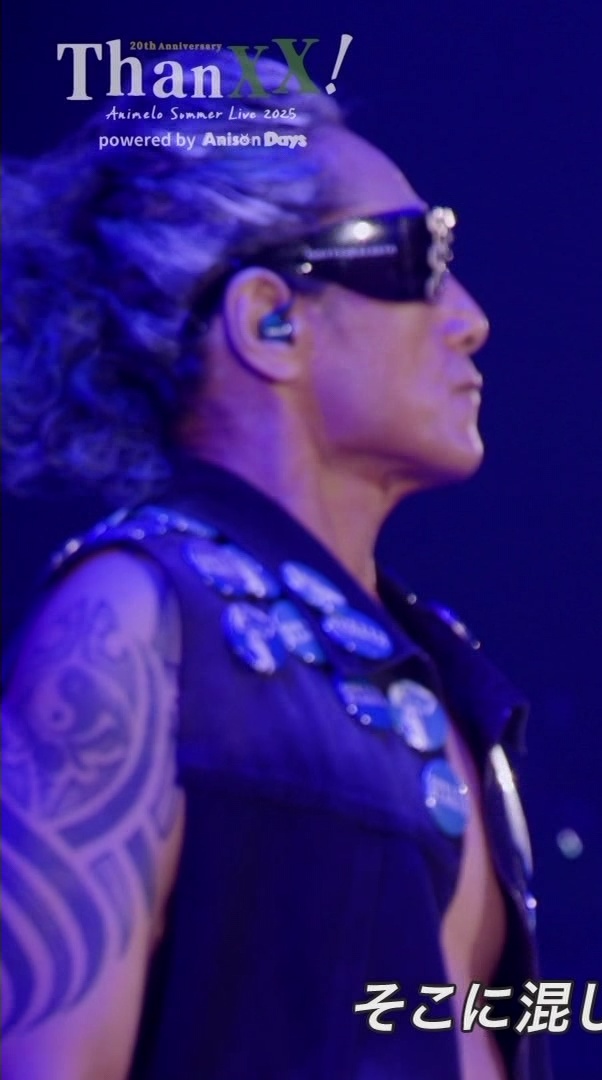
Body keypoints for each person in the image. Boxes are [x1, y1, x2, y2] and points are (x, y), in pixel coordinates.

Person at [0, 53, 545, 1079]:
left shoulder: (435, 662)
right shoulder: (134, 620)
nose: (471, 317)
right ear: (270, 320)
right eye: (419, 257)